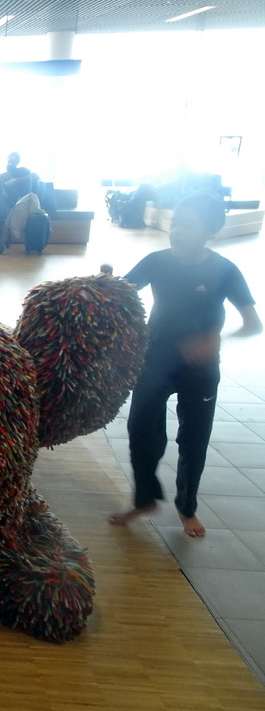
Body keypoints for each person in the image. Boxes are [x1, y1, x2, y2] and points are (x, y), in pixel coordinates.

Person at [108, 193, 262, 537]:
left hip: (200, 369)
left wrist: (215, 340)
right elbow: (116, 295)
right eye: (175, 222)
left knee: (193, 440)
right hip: (155, 360)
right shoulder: (156, 261)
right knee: (140, 430)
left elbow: (254, 324)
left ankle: (186, 507)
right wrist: (103, 284)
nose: (177, 230)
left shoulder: (224, 270)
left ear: (210, 231)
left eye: (188, 224)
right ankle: (144, 499)